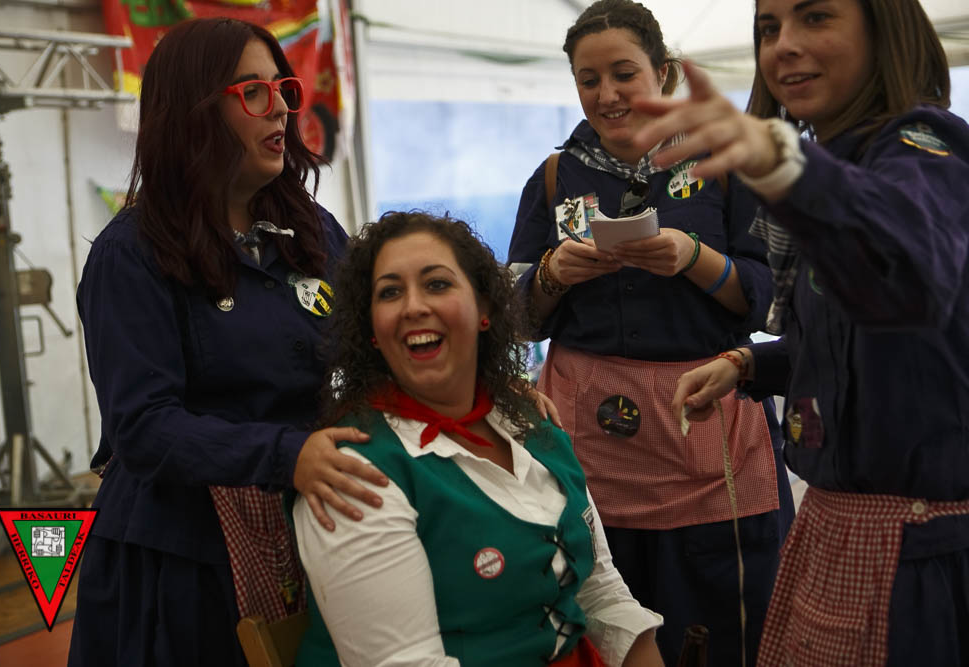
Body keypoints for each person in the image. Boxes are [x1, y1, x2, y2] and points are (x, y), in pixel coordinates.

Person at [647, 1, 969, 664]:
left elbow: (909, 275)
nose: (783, 45)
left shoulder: (924, 151)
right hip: (840, 534)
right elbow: (859, 337)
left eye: (816, 17)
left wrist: (787, 165)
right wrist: (748, 365)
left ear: (885, 28)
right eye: (768, 28)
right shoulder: (837, 166)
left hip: (916, 557)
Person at [67, 18, 392, 666]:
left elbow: (380, 346)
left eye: (283, 88)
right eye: (252, 91)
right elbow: (144, 427)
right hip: (185, 559)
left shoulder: (311, 229)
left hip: (308, 519)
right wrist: (287, 453)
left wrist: (488, 389)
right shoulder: (131, 253)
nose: (280, 108)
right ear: (191, 111)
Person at [507, 1, 793, 664]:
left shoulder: (725, 163)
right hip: (590, 449)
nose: (606, 94)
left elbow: (774, 302)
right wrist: (553, 272)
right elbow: (513, 317)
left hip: (706, 430)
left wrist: (694, 259)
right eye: (588, 80)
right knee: (603, 627)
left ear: (663, 72)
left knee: (721, 633)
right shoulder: (552, 178)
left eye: (623, 74)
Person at [293, 211, 665, 667]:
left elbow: (602, 594)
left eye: (437, 284)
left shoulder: (530, 422)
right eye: (390, 292)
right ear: (371, 330)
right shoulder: (354, 471)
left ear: (485, 309)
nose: (413, 307)